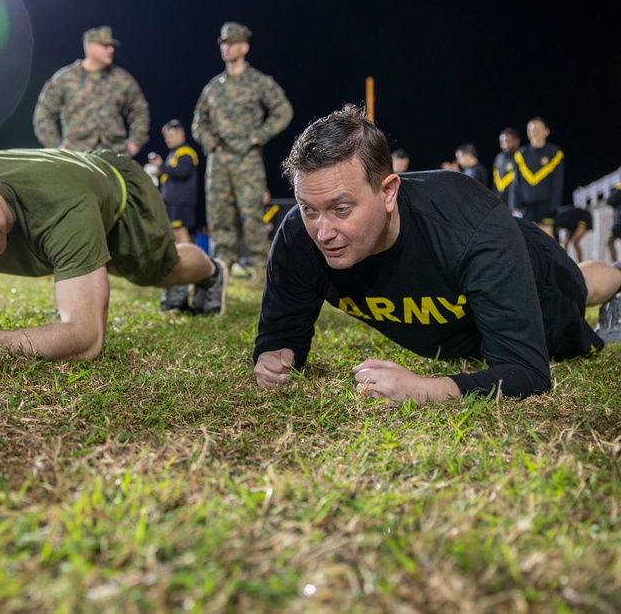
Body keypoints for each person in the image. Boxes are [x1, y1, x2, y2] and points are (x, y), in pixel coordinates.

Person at [253, 104, 621, 403]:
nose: (323, 231)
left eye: (341, 209)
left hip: (528, 270)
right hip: (460, 323)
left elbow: (528, 371)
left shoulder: (469, 226)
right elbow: (281, 333)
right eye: (309, 208)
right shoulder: (299, 237)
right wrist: (274, 356)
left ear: (388, 192)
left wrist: (426, 389)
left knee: (580, 286)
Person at [0, 141, 228, 361]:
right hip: (70, 187)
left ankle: (211, 271)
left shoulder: (62, 207)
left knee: (160, 274)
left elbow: (86, 339)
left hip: (119, 196)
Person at [192, 22, 294, 281]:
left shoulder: (259, 82)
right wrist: (210, 142)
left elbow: (283, 111)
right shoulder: (214, 87)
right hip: (218, 159)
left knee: (251, 214)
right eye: (224, 43)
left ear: (245, 47)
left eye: (233, 43)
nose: (227, 47)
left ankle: (261, 269)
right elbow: (198, 121)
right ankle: (223, 266)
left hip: (247, 159)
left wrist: (257, 137)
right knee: (219, 213)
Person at [32, 26, 149, 156]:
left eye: (112, 46)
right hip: (78, 157)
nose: (111, 49)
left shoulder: (123, 79)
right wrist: (56, 147)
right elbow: (44, 113)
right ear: (89, 47)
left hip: (115, 155)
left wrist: (135, 143)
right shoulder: (65, 78)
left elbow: (140, 110)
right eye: (104, 45)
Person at [158, 120, 202, 310]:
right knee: (177, 238)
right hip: (173, 203)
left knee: (182, 236)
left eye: (171, 134)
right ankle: (183, 269)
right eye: (166, 136)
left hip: (181, 203)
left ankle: (191, 269)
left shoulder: (185, 151)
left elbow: (183, 172)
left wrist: (161, 167)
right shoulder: (174, 153)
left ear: (181, 134)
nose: (169, 139)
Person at [513, 117, 564, 236]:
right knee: (527, 238)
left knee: (547, 237)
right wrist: (515, 206)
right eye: (531, 130)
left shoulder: (555, 152)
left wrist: (554, 206)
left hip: (546, 204)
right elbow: (516, 183)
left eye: (538, 129)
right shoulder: (521, 153)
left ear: (547, 131)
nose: (534, 133)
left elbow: (558, 182)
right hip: (527, 205)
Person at [492, 128, 520, 208]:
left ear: (516, 141)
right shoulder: (499, 157)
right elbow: (495, 182)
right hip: (500, 202)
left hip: (515, 203)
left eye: (508, 141)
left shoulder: (521, 157)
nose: (505, 144)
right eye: (502, 142)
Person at [608, 182, 621, 263]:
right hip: (617, 223)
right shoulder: (618, 192)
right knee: (610, 242)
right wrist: (618, 189)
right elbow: (610, 201)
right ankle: (615, 264)